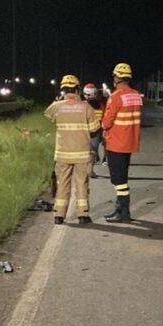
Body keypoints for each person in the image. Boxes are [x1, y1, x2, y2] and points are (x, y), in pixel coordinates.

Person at [44, 74, 101, 225]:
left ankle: (59, 215)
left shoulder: (57, 106)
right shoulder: (86, 107)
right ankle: (83, 215)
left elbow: (48, 114)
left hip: (63, 153)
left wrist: (57, 100)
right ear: (78, 90)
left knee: (62, 183)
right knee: (82, 183)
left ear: (63, 90)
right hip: (82, 153)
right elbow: (95, 129)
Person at [101, 63, 143, 223]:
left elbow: (107, 122)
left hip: (116, 143)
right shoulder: (136, 95)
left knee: (118, 180)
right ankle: (122, 211)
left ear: (117, 78)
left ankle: (123, 212)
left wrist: (103, 125)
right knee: (122, 176)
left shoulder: (116, 96)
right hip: (130, 142)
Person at [83, 82, 107, 176]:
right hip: (96, 130)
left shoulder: (83, 104)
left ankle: (89, 168)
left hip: (89, 130)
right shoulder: (101, 103)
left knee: (90, 150)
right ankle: (91, 168)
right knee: (93, 150)